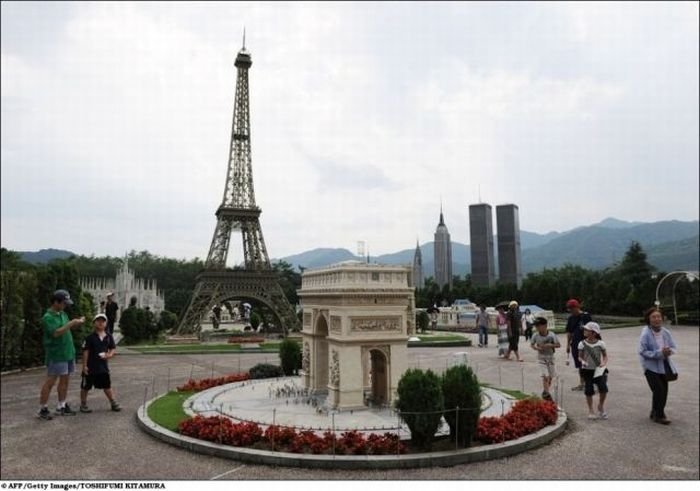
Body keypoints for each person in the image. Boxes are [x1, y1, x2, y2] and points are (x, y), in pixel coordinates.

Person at [38, 289, 85, 419]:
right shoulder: (48, 317)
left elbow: (65, 328)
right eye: (63, 303)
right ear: (55, 302)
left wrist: (77, 323)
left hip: (67, 353)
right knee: (50, 381)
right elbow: (56, 333)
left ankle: (61, 405)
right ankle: (43, 408)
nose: (65, 305)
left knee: (65, 380)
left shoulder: (62, 314)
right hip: (56, 354)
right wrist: (71, 323)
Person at [638, 307, 678, 425]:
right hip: (650, 366)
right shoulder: (645, 333)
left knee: (663, 390)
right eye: (653, 317)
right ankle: (660, 415)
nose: (657, 319)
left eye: (659, 316)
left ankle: (654, 411)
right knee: (659, 389)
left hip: (663, 365)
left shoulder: (666, 332)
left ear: (662, 318)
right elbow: (642, 351)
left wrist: (668, 351)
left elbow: (673, 347)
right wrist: (659, 353)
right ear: (648, 319)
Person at [80, 314, 121, 413]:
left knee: (107, 385)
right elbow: (86, 351)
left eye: (103, 321)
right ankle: (83, 404)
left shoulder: (108, 336)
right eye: (98, 321)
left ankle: (113, 402)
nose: (100, 323)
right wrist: (84, 366)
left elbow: (112, 348)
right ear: (94, 323)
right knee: (86, 386)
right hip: (91, 366)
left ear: (106, 323)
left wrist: (109, 355)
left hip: (103, 367)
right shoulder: (90, 338)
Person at [578, 322, 609, 420]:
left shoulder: (601, 343)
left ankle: (600, 406)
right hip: (587, 370)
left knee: (603, 389)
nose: (584, 331)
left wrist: (604, 363)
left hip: (599, 370)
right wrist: (583, 361)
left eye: (587, 330)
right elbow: (579, 356)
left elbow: (605, 356)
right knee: (588, 390)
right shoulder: (582, 343)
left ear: (594, 333)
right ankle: (591, 410)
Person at [530, 316, 560, 400]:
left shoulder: (551, 335)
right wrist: (536, 348)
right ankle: (546, 394)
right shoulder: (535, 335)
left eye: (538, 326)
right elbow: (532, 345)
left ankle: (545, 390)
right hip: (541, 358)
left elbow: (558, 345)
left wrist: (550, 345)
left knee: (550, 377)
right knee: (545, 376)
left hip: (550, 358)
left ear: (545, 326)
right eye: (536, 326)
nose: (537, 328)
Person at [565, 298, 592, 391]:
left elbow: (592, 330)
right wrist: (568, 345)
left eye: (572, 309)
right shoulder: (571, 318)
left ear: (577, 307)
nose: (571, 311)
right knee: (580, 365)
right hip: (575, 344)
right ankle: (582, 383)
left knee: (588, 364)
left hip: (586, 344)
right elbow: (569, 332)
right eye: (569, 309)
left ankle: (591, 383)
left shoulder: (586, 316)